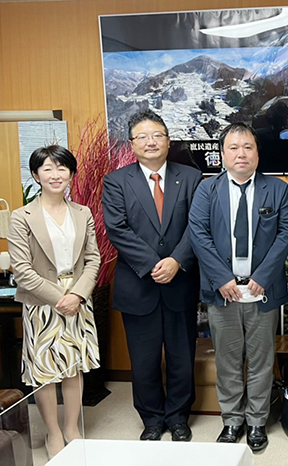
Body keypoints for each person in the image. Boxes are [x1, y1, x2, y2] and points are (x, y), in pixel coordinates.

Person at [188, 122, 288, 452]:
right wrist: (222, 279)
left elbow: (286, 232)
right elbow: (198, 234)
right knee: (229, 360)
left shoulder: (276, 189)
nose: (241, 153)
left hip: (262, 291)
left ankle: (257, 422)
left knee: (262, 361)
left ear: (257, 153)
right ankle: (232, 420)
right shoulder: (208, 190)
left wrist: (263, 275)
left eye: (248, 147)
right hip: (223, 293)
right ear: (223, 154)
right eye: (233, 148)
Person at [102, 110, 202, 441]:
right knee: (143, 362)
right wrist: (153, 263)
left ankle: (178, 416)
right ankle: (151, 419)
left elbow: (197, 225)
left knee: (181, 357)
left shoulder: (190, 177)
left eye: (157, 135)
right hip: (138, 285)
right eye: (142, 136)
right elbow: (117, 228)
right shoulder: (117, 181)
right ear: (132, 144)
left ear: (168, 140)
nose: (150, 141)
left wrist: (176, 260)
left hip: (181, 281)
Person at [8, 145, 101, 458]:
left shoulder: (82, 213)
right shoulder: (22, 216)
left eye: (61, 168)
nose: (55, 174)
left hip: (78, 299)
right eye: (47, 168)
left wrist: (77, 295)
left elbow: (93, 259)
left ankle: (73, 428)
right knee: (45, 371)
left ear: (71, 174)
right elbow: (21, 269)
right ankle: (53, 432)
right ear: (36, 175)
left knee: (74, 366)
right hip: (42, 302)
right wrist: (61, 298)